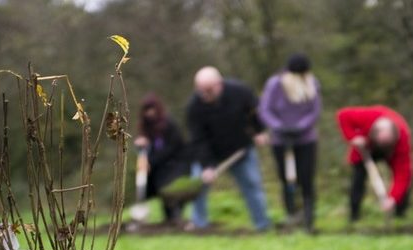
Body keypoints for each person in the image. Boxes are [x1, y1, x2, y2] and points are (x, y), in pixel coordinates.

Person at [186, 66, 271, 231]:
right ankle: (199, 225)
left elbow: (255, 111)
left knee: (252, 185)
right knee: (197, 184)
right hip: (212, 153)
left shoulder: (240, 92)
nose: (204, 95)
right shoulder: (194, 107)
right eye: (201, 90)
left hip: (240, 150)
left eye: (209, 90)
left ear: (219, 84)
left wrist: (259, 131)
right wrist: (207, 167)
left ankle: (262, 225)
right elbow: (198, 140)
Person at [259, 53, 321, 232]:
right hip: (281, 140)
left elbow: (315, 110)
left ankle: (309, 220)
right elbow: (265, 109)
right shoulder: (275, 84)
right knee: (286, 179)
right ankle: (291, 215)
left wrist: (300, 126)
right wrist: (279, 127)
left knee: (306, 178)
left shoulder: (312, 83)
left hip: (305, 139)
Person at [336, 106, 413, 222]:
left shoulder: (402, 139)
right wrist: (352, 137)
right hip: (365, 148)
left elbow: (403, 174)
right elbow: (342, 115)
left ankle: (399, 215)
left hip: (391, 152)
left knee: (404, 184)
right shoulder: (369, 116)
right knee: (358, 180)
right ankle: (354, 217)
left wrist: (393, 198)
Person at [133, 93, 190, 224]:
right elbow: (145, 147)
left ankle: (175, 217)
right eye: (147, 110)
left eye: (152, 109)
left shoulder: (169, 125)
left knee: (168, 189)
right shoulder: (145, 127)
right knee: (153, 187)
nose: (150, 113)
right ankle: (168, 219)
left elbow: (172, 147)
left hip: (174, 164)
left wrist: (151, 161)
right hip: (156, 167)